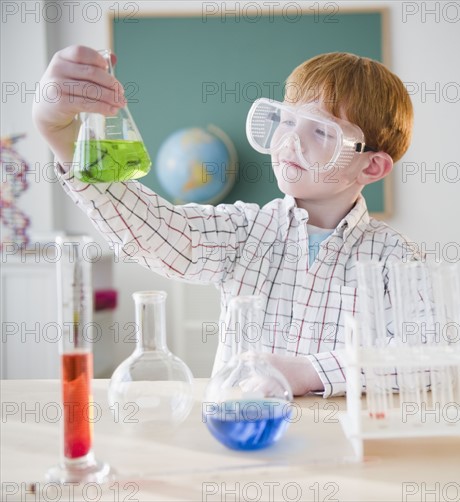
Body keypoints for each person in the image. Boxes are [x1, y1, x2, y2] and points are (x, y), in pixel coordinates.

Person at [33, 46, 425, 398]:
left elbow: (424, 357)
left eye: (321, 130)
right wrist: (63, 136)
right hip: (242, 436)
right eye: (287, 121)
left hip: (343, 453)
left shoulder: (393, 257)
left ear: (372, 165)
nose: (291, 141)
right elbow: (155, 231)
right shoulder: (245, 230)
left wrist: (309, 373)